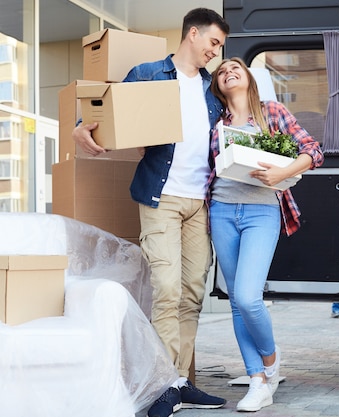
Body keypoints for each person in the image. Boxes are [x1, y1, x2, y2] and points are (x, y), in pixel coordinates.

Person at [71, 8, 230, 417]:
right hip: (161, 197)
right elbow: (103, 110)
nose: (216, 51)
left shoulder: (212, 89)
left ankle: (179, 382)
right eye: (212, 42)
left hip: (201, 202)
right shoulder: (149, 74)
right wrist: (80, 127)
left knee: (193, 293)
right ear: (192, 34)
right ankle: (162, 387)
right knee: (167, 289)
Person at [207, 57, 324, 412]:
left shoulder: (272, 112)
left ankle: (270, 361)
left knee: (247, 296)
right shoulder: (215, 123)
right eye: (222, 71)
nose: (228, 72)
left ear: (248, 78)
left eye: (235, 68)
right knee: (236, 304)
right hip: (221, 211)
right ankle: (257, 380)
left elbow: (313, 151)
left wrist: (282, 173)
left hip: (261, 211)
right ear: (217, 85)